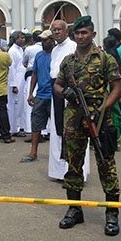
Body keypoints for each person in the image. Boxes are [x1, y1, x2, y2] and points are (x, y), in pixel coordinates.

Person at [54, 16, 121, 236]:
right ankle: (75, 209)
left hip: (100, 117)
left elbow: (116, 88)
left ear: (93, 34)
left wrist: (102, 110)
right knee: (73, 164)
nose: (81, 36)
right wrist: (65, 92)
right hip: (74, 117)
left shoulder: (104, 59)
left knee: (106, 163)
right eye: (78, 33)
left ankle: (112, 213)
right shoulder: (68, 61)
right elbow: (57, 84)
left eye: (85, 33)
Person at [48, 19, 77, 180]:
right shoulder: (54, 50)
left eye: (59, 29)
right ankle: (59, 171)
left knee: (69, 131)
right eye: (54, 30)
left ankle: (71, 170)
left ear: (66, 31)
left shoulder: (72, 47)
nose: (56, 32)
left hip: (68, 91)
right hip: (56, 90)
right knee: (58, 130)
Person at [22, 30, 55, 162]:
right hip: (41, 95)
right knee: (36, 125)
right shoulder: (39, 56)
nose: (43, 42)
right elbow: (34, 74)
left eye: (46, 40)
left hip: (54, 95)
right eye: (42, 40)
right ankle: (33, 152)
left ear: (52, 41)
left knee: (58, 126)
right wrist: (31, 93)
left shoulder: (57, 55)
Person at [7, 30, 27, 137]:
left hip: (21, 79)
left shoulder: (20, 50)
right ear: (15, 39)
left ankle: (21, 125)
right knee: (15, 105)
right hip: (16, 80)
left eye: (23, 38)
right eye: (21, 38)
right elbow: (11, 69)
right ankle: (14, 128)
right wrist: (13, 84)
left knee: (20, 104)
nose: (23, 39)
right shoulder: (12, 51)